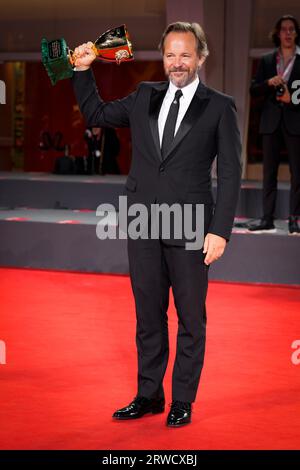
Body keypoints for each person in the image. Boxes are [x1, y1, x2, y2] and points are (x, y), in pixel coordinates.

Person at [72, 22, 241, 427]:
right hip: (142, 222)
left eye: (184, 54)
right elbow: (96, 112)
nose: (176, 63)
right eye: (169, 55)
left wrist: (219, 231)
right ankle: (149, 394)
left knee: (189, 318)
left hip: (190, 226)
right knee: (148, 316)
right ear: (162, 57)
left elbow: (231, 174)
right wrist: (82, 70)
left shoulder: (219, 106)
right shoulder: (145, 95)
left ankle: (182, 399)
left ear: (200, 57)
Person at [249, 14, 300, 234]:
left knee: (297, 173)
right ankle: (266, 218)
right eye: (284, 29)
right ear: (278, 34)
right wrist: (268, 83)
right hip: (271, 122)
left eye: (291, 29)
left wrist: (293, 99)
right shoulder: (268, 60)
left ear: (296, 33)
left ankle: (295, 219)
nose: (288, 33)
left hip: (295, 120)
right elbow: (253, 90)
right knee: (269, 172)